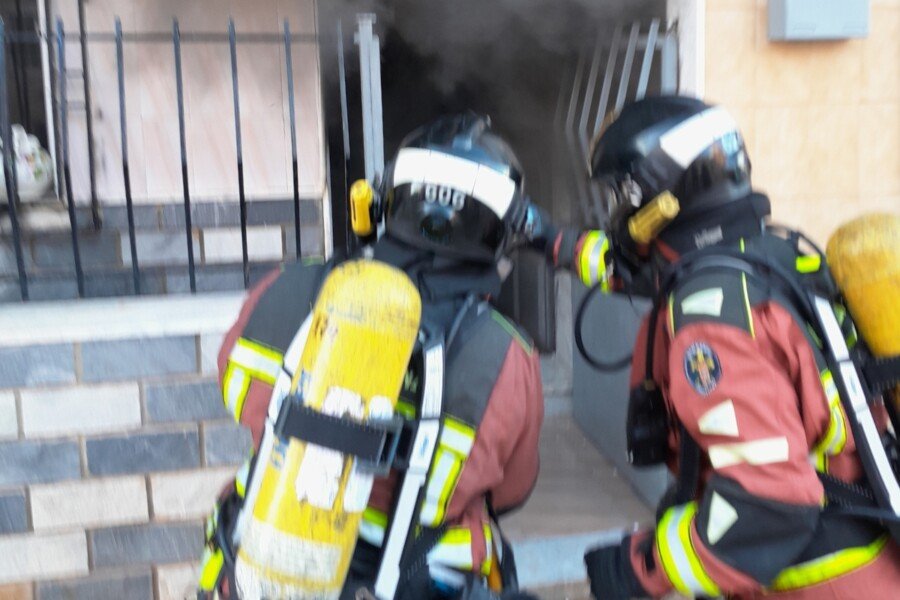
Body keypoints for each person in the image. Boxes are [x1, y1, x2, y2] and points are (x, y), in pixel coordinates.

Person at [540, 95, 900, 598]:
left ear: (657, 199)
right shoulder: (765, 256)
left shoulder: (713, 320)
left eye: (621, 195)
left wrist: (641, 568)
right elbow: (633, 270)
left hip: (818, 583)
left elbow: (767, 504)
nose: (618, 211)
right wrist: (547, 239)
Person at [198, 113, 543, 600]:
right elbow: (511, 491)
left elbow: (235, 388)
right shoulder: (506, 356)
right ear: (503, 234)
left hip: (260, 569)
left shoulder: (287, 288)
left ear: (381, 201)